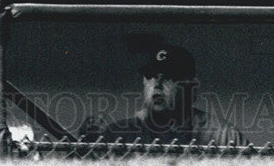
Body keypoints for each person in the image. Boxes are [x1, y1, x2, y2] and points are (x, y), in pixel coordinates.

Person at [81, 44, 245, 147]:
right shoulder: (118, 134)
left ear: (189, 86)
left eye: (168, 77)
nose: (157, 85)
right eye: (151, 76)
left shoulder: (222, 134)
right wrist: (86, 145)